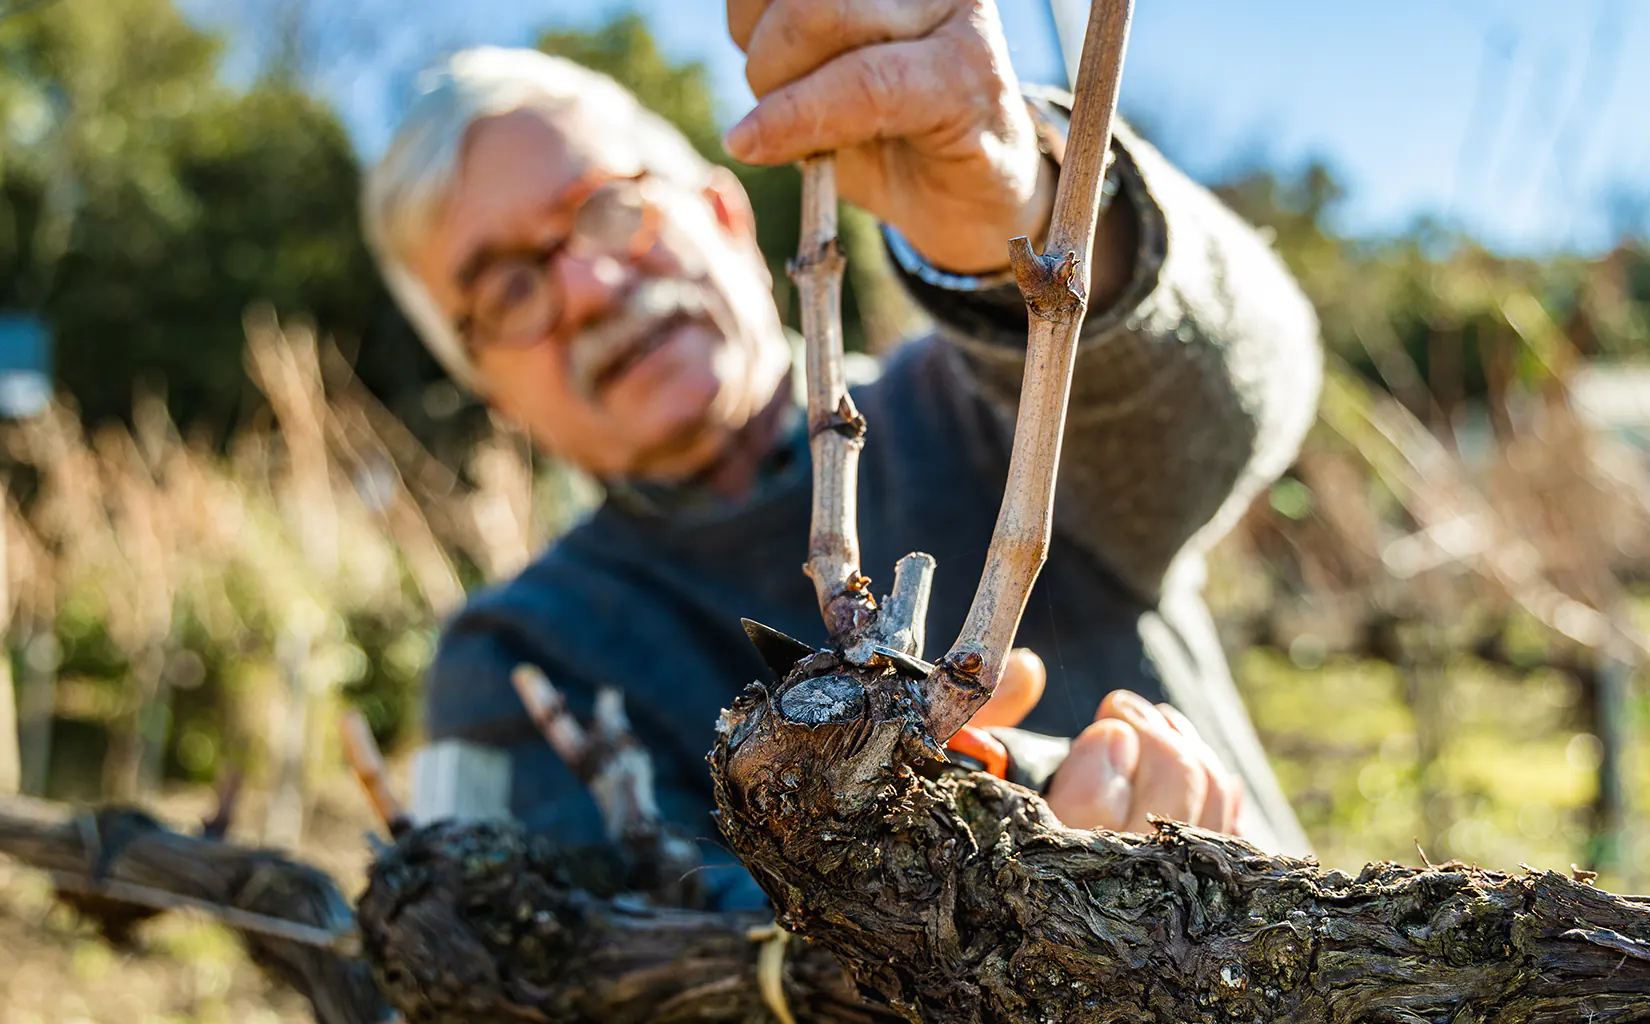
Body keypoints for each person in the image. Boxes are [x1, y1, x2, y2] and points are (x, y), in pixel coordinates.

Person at [362, 0, 1323, 911]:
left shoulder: (996, 396)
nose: (589, 284)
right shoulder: (517, 658)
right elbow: (537, 963)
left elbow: (1250, 394)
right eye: (509, 289)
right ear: (491, 387)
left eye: (611, 209)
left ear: (726, 214)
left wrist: (1015, 199)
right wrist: (996, 896)